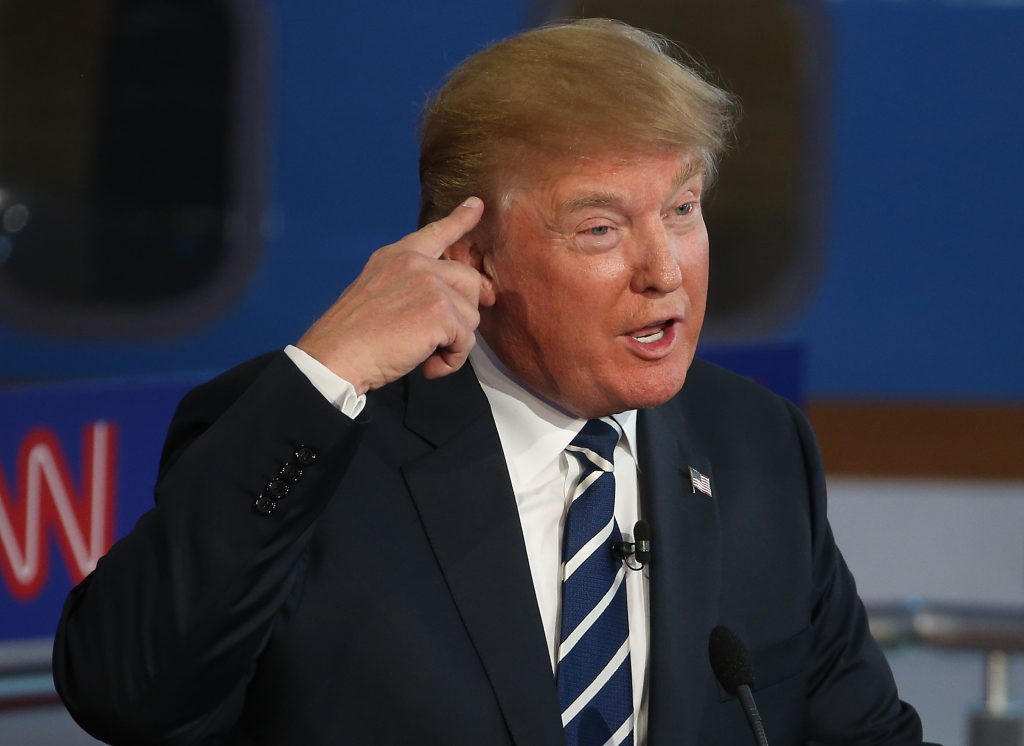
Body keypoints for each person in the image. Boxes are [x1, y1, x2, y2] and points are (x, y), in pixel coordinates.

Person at [53, 18, 934, 746]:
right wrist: (331, 374)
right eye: (600, 229)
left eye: (683, 210)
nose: (665, 270)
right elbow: (128, 693)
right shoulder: (313, 439)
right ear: (472, 256)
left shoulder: (755, 445)